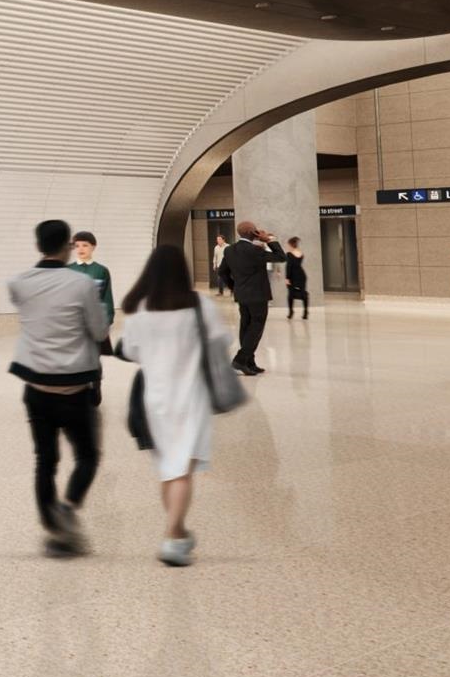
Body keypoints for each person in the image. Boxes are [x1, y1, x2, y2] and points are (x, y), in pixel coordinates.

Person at [116, 245, 234, 567]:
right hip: (191, 397)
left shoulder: (140, 309)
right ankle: (172, 537)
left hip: (154, 398)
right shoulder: (199, 306)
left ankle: (178, 530)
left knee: (170, 470)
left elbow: (131, 350)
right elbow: (223, 343)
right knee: (182, 469)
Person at [8, 219, 107, 557]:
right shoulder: (81, 285)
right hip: (75, 386)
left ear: (38, 246)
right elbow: (97, 329)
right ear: (67, 246)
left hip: (36, 385)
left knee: (45, 460)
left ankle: (53, 529)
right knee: (88, 456)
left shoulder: (19, 283)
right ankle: (67, 508)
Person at [218, 221, 285, 376]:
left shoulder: (230, 250)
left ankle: (249, 362)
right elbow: (281, 257)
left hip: (242, 294)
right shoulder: (255, 250)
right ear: (252, 233)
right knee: (256, 327)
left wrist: (233, 287)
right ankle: (240, 360)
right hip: (258, 295)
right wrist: (269, 240)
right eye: (255, 230)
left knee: (246, 326)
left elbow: (222, 272)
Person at [69, 231, 115, 339]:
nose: (81, 249)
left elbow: (107, 298)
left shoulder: (101, 270)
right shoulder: (68, 269)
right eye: (77, 246)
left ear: (93, 247)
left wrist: (107, 321)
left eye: (85, 245)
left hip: (94, 323)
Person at [284, 237, 309, 321]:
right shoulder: (301, 253)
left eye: (288, 244)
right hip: (302, 276)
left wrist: (287, 278)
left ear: (290, 244)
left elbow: (289, 267)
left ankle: (291, 312)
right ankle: (305, 312)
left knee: (290, 294)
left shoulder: (289, 254)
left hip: (293, 276)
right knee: (303, 293)